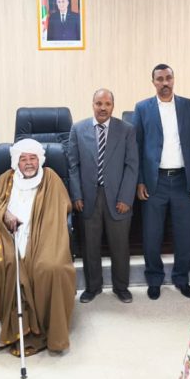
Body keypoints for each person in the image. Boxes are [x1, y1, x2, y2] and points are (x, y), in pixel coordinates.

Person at [0, 138, 75, 365]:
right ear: (16, 162)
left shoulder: (51, 178)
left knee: (52, 267)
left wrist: (36, 226)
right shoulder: (6, 179)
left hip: (41, 234)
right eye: (23, 159)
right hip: (4, 234)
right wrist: (4, 215)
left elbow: (62, 206)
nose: (29, 163)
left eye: (33, 158)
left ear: (40, 160)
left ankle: (46, 331)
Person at [133, 64, 190, 300]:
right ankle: (154, 279)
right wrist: (140, 181)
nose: (165, 83)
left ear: (174, 79)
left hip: (184, 180)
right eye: (160, 79)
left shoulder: (189, 106)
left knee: (185, 233)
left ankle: (181, 278)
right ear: (153, 82)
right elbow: (137, 147)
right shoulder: (142, 108)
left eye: (168, 78)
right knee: (152, 234)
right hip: (155, 182)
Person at [68, 88, 138, 304]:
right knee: (90, 246)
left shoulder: (126, 130)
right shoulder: (78, 129)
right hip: (88, 197)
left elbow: (132, 166)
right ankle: (93, 287)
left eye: (107, 104)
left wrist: (126, 198)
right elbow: (73, 166)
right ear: (93, 105)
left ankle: (121, 287)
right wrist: (76, 195)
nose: (103, 108)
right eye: (99, 103)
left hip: (118, 197)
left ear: (113, 106)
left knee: (120, 245)